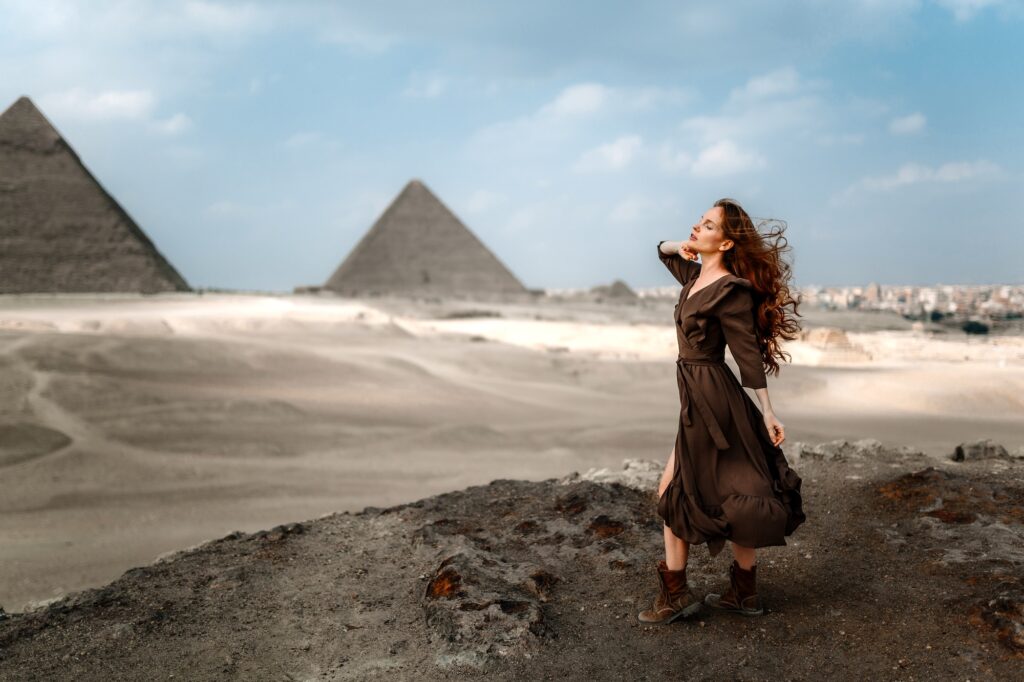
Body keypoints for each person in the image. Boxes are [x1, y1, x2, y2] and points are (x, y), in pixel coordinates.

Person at [638, 198, 806, 625]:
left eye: (708, 225)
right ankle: (742, 593)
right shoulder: (694, 274)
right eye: (700, 220)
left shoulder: (730, 290)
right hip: (694, 393)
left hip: (712, 394)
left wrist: (768, 411)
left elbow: (747, 355)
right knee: (729, 489)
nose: (697, 226)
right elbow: (661, 248)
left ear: (727, 242)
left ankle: (678, 595)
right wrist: (684, 244)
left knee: (676, 490)